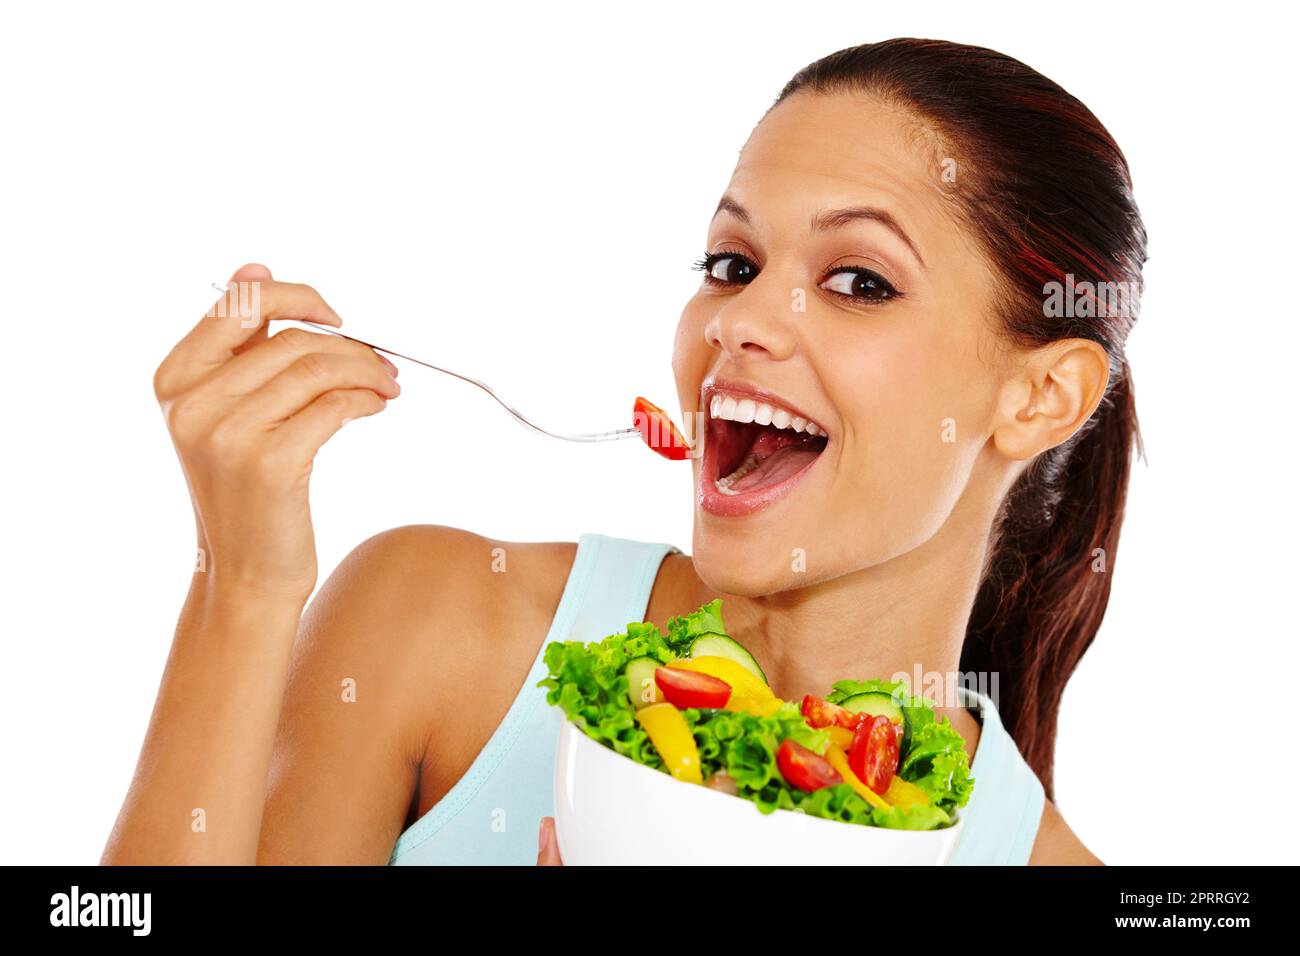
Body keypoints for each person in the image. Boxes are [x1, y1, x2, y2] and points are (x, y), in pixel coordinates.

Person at [103, 38, 1145, 866]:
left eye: (858, 280)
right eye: (732, 262)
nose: (739, 321)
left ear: (1040, 397)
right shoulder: (440, 621)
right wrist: (242, 584)